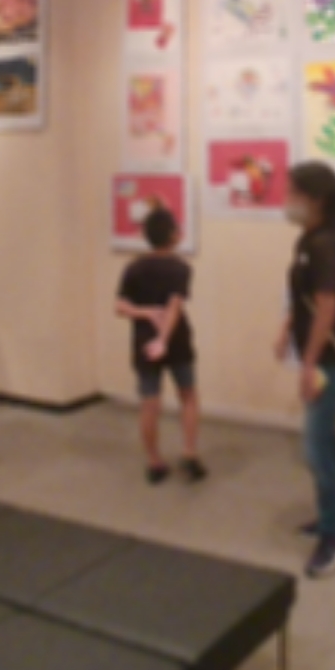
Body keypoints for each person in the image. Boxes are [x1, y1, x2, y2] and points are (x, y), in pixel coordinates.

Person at [275, 162, 335, 579]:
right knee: (324, 443)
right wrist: (286, 331)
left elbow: (328, 306)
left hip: (331, 360)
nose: (287, 200)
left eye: (293, 192)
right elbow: (304, 299)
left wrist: (307, 362)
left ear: (316, 200)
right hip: (321, 357)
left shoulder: (324, 245)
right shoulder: (309, 242)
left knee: (317, 447)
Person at [114, 207, 206, 484]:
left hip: (144, 342)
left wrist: (145, 313)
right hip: (177, 341)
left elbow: (120, 306)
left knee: (149, 403)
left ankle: (154, 462)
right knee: (188, 396)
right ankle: (189, 454)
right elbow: (174, 307)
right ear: (173, 235)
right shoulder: (180, 268)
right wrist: (163, 339)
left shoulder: (134, 267)